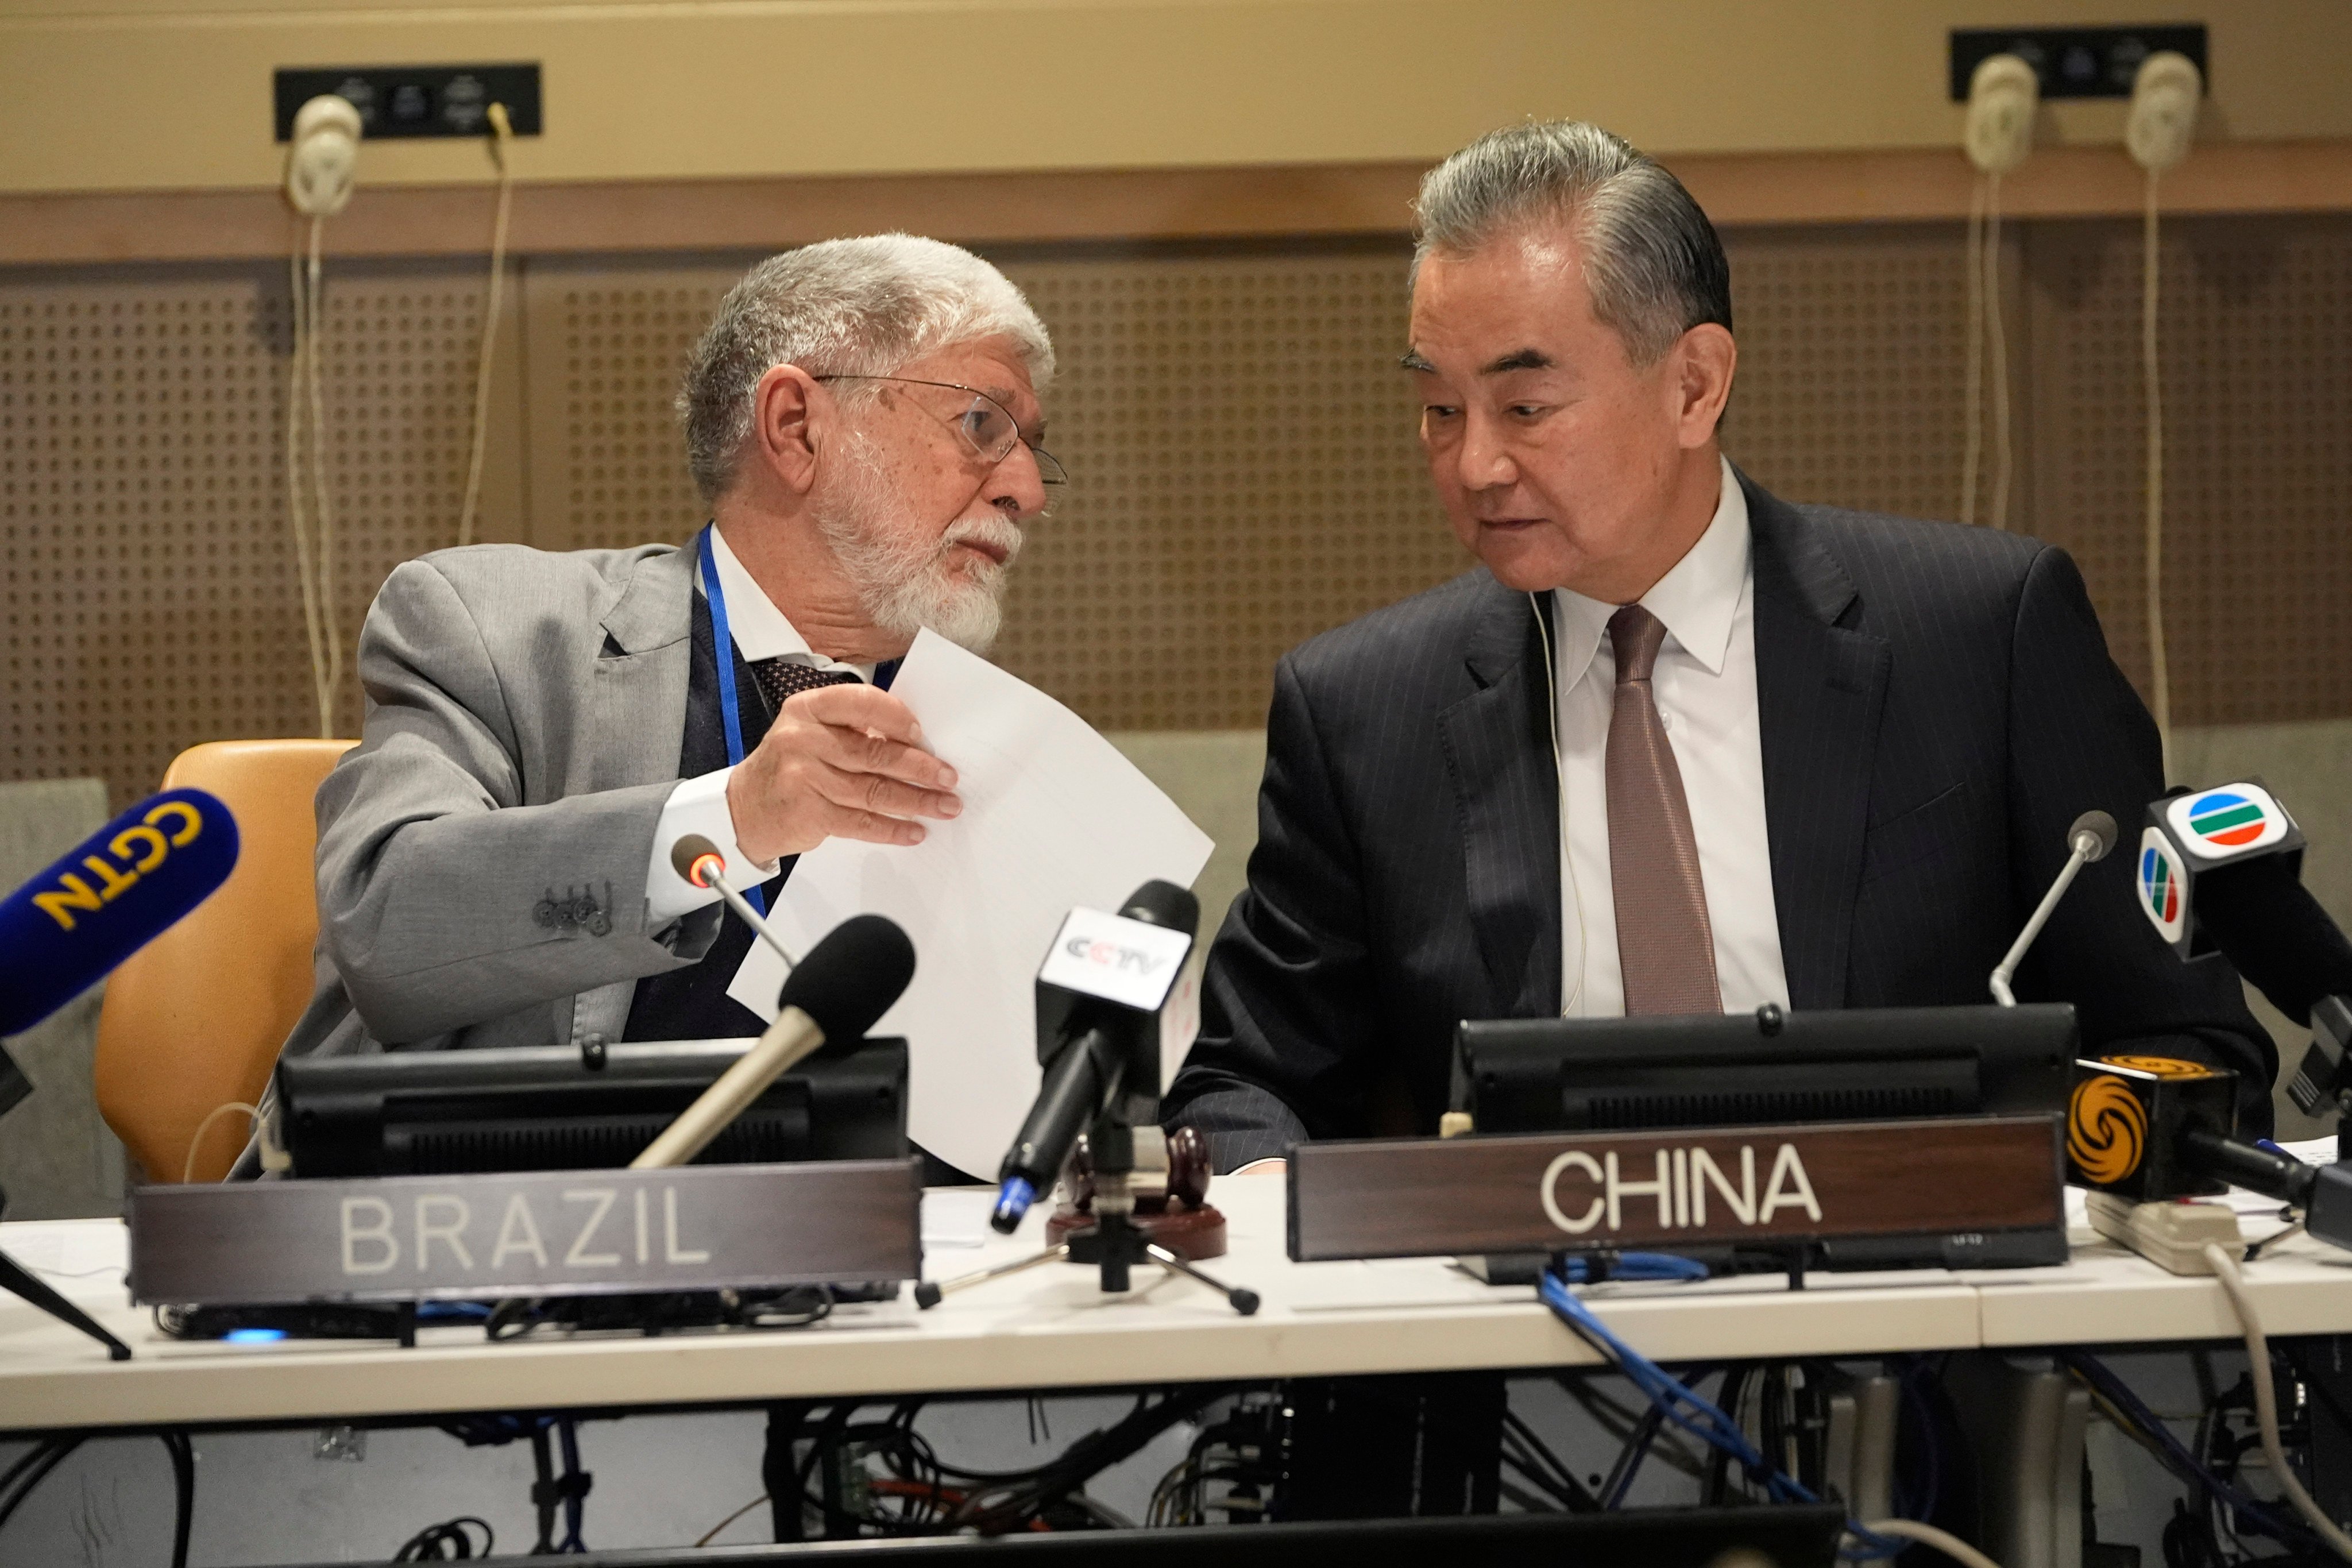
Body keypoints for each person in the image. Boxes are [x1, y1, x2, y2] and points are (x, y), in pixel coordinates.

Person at [1164, 122, 2273, 1171]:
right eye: (1440, 410)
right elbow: (1242, 1088)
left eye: (1526, 406)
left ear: (1695, 383)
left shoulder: (1983, 636)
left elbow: (2187, 1039)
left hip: (1931, 1336)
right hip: (1520, 1340)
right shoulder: (1363, 711)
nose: (1475, 466)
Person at [282, 234, 1063, 1065]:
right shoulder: (495, 631)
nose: (1028, 490)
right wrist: (731, 821)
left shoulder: (979, 737)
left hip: (867, 1192)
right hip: (519, 1186)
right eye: (981, 424)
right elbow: (389, 924)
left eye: (1030, 444)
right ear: (796, 427)